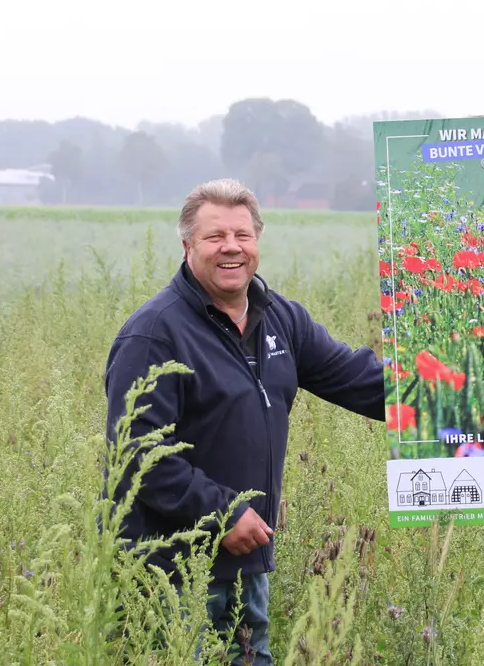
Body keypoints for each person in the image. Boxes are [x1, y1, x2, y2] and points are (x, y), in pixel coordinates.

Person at [103, 178, 385, 664]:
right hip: (168, 577)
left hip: (244, 567)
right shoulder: (154, 334)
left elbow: (359, 378)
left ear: (257, 242)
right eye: (215, 237)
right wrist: (223, 513)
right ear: (188, 244)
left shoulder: (281, 321)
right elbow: (137, 454)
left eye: (242, 235)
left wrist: (465, 393)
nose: (231, 247)